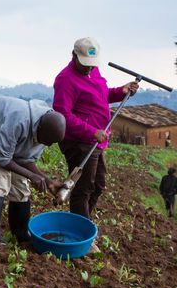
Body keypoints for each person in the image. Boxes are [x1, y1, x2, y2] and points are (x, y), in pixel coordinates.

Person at [52, 37, 140, 219]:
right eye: (86, 64)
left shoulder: (93, 71)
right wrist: (91, 131)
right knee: (83, 189)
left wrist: (120, 91)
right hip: (79, 142)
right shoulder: (65, 80)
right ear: (74, 55)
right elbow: (62, 116)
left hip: (96, 140)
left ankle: (82, 223)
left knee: (98, 186)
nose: (89, 68)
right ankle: (81, 230)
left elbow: (100, 96)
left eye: (92, 64)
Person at [0, 95, 68, 244]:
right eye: (48, 141)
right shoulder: (19, 120)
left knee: (21, 186)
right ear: (39, 128)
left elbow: (25, 159)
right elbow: (0, 157)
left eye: (52, 143)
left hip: (1, 129)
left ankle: (20, 233)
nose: (48, 145)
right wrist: (31, 175)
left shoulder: (46, 133)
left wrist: (48, 181)